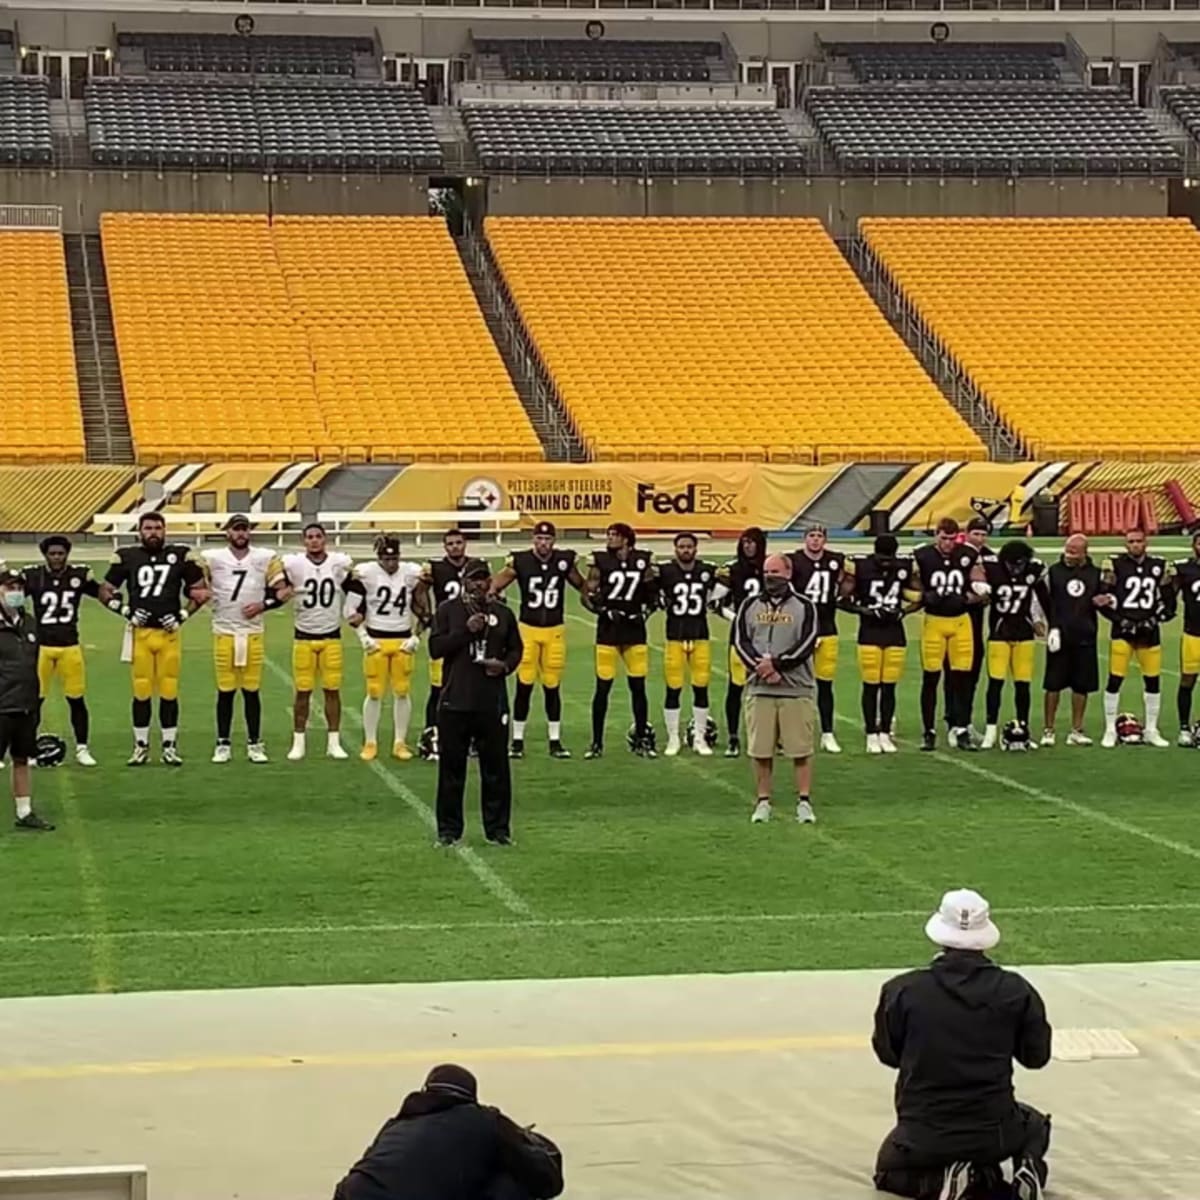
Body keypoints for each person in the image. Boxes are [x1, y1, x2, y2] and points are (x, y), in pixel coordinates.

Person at [872, 889, 1051, 1200]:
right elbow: (1036, 1057)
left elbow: (889, 1054)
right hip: (995, 1130)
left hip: (925, 1132)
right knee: (1034, 1124)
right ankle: (1028, 1167)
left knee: (888, 1172)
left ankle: (946, 1181)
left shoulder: (902, 991)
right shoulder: (1016, 991)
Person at [332, 1063, 563, 1200]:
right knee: (514, 1182)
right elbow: (546, 1181)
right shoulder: (484, 1119)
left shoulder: (397, 1124)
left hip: (350, 1194)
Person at [100, 511, 208, 766]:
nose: (153, 532)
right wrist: (124, 610)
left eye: (158, 528)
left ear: (165, 530)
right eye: (148, 528)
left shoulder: (180, 554)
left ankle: (169, 746)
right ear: (139, 531)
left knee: (169, 691)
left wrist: (183, 615)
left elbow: (201, 591)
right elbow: (105, 591)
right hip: (141, 634)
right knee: (141, 691)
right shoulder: (127, 556)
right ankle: (141, 746)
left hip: (169, 633)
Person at [429, 561, 522, 847]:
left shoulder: (503, 613)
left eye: (483, 579)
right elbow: (435, 649)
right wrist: (466, 632)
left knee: (496, 771)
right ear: (464, 581)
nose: (479, 585)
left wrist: (504, 666)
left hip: (490, 702)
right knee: (451, 770)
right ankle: (448, 831)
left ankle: (497, 830)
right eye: (473, 580)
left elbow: (516, 648)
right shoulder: (448, 610)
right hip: (455, 701)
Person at [732, 553, 819, 825]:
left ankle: (803, 801)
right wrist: (761, 668)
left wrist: (778, 665)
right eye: (767, 572)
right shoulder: (749, 605)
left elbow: (808, 642)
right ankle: (763, 801)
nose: (770, 577)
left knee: (800, 749)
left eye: (776, 572)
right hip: (759, 689)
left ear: (789, 573)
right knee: (761, 750)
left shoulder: (805, 606)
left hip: (796, 688)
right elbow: (739, 640)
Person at [489, 521, 585, 760]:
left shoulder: (564, 560)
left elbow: (582, 585)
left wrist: (598, 596)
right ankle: (517, 741)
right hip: (528, 629)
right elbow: (495, 584)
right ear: (534, 539)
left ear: (554, 540)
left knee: (552, 685)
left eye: (548, 539)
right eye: (540, 539)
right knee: (525, 684)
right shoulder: (520, 561)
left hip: (555, 630)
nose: (544, 544)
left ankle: (555, 741)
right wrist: (492, 598)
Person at [202, 515, 288, 764]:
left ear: (249, 532)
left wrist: (264, 604)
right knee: (225, 691)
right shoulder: (213, 558)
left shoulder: (264, 557)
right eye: (236, 529)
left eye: (244, 529)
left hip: (252, 633)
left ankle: (254, 743)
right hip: (223, 631)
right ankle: (223, 743)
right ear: (227, 532)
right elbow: (194, 581)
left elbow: (284, 590)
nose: (240, 533)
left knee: (252, 690)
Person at [22, 534, 105, 767]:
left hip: (70, 646)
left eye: (61, 553)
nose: (57, 558)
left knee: (76, 699)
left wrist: (120, 603)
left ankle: (82, 748)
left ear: (67, 554)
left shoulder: (78, 575)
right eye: (53, 554)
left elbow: (102, 593)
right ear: (45, 555)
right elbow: (13, 596)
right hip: (42, 648)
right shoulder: (34, 576)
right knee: (34, 701)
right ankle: (28, 749)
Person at [347, 534, 424, 762]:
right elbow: (350, 607)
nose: (391, 564)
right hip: (376, 639)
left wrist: (416, 636)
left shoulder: (410, 572)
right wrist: (362, 636)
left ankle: (400, 742)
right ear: (379, 557)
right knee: (374, 692)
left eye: (394, 559)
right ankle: (370, 741)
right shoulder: (367, 572)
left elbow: (424, 604)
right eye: (386, 559)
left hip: (402, 639)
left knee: (402, 691)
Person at [582, 523, 656, 760]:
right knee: (602, 687)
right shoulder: (600, 561)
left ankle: (642, 740)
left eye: (615, 535)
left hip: (634, 631)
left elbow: (653, 594)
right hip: (608, 631)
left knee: (638, 687)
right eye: (609, 534)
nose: (610, 538)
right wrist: (603, 611)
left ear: (626, 539)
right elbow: (587, 595)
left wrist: (645, 612)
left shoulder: (643, 560)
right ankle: (596, 743)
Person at [914, 518, 988, 753]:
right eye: (943, 538)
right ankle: (929, 731)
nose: (947, 543)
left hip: (960, 622)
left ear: (958, 537)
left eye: (951, 538)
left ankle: (962, 728)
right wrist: (924, 596)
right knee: (931, 678)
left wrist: (968, 598)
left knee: (962, 679)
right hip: (934, 622)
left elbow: (982, 585)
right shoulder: (923, 555)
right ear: (936, 535)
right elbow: (911, 583)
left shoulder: (967, 553)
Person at [281, 523, 354, 762]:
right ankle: (298, 741)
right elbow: (276, 582)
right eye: (309, 537)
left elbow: (354, 586)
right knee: (302, 691)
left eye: (318, 537)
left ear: (325, 539)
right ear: (304, 541)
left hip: (331, 635)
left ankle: (333, 741)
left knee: (332, 691)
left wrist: (354, 610)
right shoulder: (294, 564)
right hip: (303, 635)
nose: (314, 541)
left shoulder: (337, 562)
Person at [414, 530, 488, 761]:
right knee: (439, 688)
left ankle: (473, 738)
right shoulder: (436, 568)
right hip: (447, 632)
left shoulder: (477, 567)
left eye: (458, 543)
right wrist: (427, 617)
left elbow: (490, 590)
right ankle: (431, 735)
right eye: (450, 544)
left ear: (465, 544)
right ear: (445, 547)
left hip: (473, 634)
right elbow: (418, 592)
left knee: (473, 687)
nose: (455, 547)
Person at [1100, 528, 1174, 748]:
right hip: (1123, 631)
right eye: (1130, 541)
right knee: (1115, 680)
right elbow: (1102, 599)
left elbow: (1169, 601)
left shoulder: (1159, 566)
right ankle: (1110, 729)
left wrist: (1158, 618)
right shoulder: (1115, 565)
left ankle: (1151, 729)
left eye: (1138, 541)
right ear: (1125, 544)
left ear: (1146, 542)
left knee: (1153, 681)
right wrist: (1119, 620)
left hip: (1149, 631)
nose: (1134, 545)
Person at [840, 535, 913, 754]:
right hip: (869, 632)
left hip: (895, 633)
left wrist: (903, 611)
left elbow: (921, 595)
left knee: (889, 686)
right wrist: (867, 611)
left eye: (889, 558)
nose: (886, 564)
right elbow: (841, 599)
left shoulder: (904, 566)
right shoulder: (861, 566)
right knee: (871, 686)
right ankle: (871, 733)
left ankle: (884, 732)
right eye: (882, 559)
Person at [1041, 533, 1109, 747]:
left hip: (1085, 636)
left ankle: (1076, 730)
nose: (1068, 555)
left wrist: (1107, 598)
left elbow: (1103, 598)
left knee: (1082, 686)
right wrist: (1050, 628)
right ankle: (1048, 729)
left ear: (1084, 553)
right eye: (1067, 550)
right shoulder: (1054, 572)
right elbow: (1044, 601)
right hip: (1059, 636)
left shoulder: (1095, 574)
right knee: (1053, 684)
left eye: (1074, 551)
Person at [980, 541, 1048, 750]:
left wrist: (1047, 623)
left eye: (1020, 564)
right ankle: (990, 730)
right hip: (1000, 634)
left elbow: (1043, 598)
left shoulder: (1034, 570)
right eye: (1012, 564)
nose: (1016, 568)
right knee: (996, 683)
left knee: (1022, 684)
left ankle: (1023, 728)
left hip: (1024, 634)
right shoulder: (993, 568)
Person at [0, 570, 54, 831]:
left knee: (21, 759)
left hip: (25, 703)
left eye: (19, 587)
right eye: (10, 587)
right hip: (1, 704)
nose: (15, 592)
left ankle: (25, 812)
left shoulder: (30, 622)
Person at [656, 532, 719, 757]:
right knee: (673, 688)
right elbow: (650, 587)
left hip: (700, 635)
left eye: (689, 546)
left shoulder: (707, 570)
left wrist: (716, 601)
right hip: (674, 636)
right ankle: (673, 737)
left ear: (696, 549)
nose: (685, 550)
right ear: (675, 549)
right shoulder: (665, 571)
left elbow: (725, 584)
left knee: (701, 687)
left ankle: (700, 737)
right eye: (681, 546)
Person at [789, 524, 846, 754]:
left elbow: (847, 581)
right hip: (802, 630)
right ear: (805, 539)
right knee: (797, 683)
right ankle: (794, 732)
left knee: (825, 684)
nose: (815, 540)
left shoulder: (836, 560)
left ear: (825, 539)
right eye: (811, 536)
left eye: (819, 536)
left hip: (827, 627)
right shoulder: (794, 560)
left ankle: (827, 733)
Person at [715, 526, 766, 757]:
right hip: (740, 638)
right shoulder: (732, 569)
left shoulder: (770, 567)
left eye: (752, 541)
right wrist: (736, 619)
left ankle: (769, 737)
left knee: (769, 689)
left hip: (767, 637)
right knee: (736, 687)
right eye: (744, 541)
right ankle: (734, 737)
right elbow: (715, 603)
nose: (748, 546)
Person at [1172, 530, 1200, 744]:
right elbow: (1168, 592)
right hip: (1193, 633)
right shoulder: (1184, 569)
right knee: (1187, 681)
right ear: (1194, 545)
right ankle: (1184, 727)